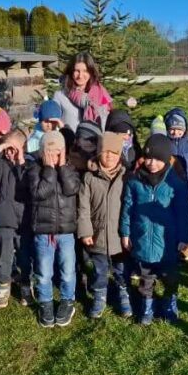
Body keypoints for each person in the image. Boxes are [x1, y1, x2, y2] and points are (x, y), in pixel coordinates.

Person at [119, 135, 188, 325]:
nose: (152, 163)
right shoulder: (135, 182)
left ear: (167, 159)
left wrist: (184, 238)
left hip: (168, 241)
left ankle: (169, 302)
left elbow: (184, 213)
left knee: (170, 277)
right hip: (142, 238)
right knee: (146, 277)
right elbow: (127, 208)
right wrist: (125, 233)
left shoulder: (175, 183)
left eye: (158, 159)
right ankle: (147, 306)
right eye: (148, 158)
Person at [26, 131, 81, 328]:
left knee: (67, 271)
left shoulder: (70, 169)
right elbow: (39, 193)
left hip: (65, 231)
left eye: (57, 152)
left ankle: (67, 301)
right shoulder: (34, 170)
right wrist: (49, 169)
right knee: (44, 272)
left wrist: (62, 167)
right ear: (41, 152)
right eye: (48, 152)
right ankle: (46, 303)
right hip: (43, 232)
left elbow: (72, 188)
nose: (53, 156)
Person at [78, 132, 132, 319]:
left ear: (120, 154)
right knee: (100, 269)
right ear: (98, 152)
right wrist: (85, 230)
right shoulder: (89, 177)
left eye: (113, 152)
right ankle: (100, 295)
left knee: (121, 268)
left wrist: (129, 231)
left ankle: (123, 293)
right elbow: (83, 207)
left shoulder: (127, 177)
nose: (109, 155)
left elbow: (131, 205)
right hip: (98, 233)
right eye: (105, 151)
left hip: (119, 235)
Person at [0, 129, 35, 308]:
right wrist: (0, 148)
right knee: (3, 257)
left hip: (23, 220)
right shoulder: (1, 164)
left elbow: (27, 183)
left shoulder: (28, 165)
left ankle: (26, 287)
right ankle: (3, 288)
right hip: (4, 218)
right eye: (8, 148)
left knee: (24, 256)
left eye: (14, 148)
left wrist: (20, 160)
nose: (10, 152)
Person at [164, 108, 188, 259]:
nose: (175, 133)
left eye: (179, 129)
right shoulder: (165, 145)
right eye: (172, 129)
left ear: (185, 129)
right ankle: (173, 240)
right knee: (171, 215)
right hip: (169, 189)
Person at [52, 52, 113, 131]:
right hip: (69, 142)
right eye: (77, 71)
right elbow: (52, 126)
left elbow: (108, 121)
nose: (80, 76)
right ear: (71, 71)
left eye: (85, 71)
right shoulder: (60, 96)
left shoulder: (101, 94)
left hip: (96, 141)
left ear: (91, 72)